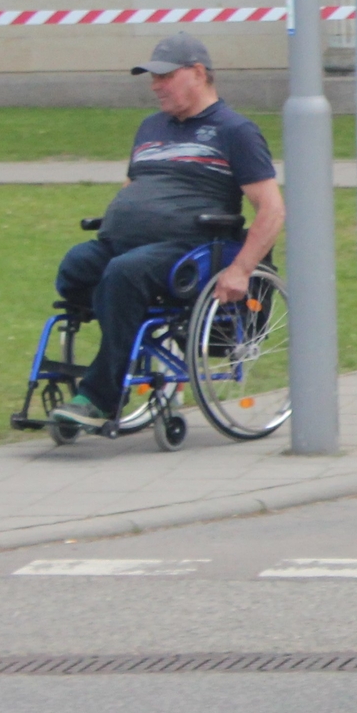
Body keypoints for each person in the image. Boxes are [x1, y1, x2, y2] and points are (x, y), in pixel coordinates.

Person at [50, 35, 283, 430]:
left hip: (189, 247)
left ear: (197, 74)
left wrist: (241, 270)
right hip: (123, 244)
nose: (155, 85)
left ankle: (98, 398)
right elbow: (135, 187)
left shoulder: (234, 131)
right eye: (151, 78)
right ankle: (124, 338)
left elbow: (272, 209)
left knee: (124, 274)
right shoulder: (150, 127)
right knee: (75, 268)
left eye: (164, 76)